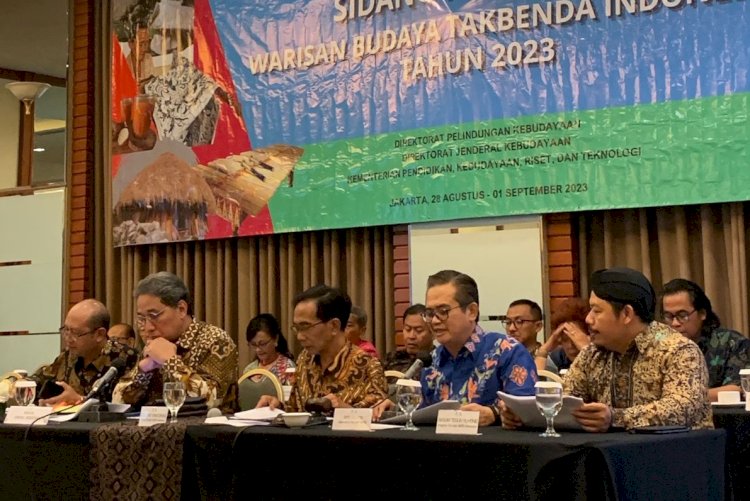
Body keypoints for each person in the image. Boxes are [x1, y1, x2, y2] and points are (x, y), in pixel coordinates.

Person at [501, 267, 713, 432]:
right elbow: (564, 401)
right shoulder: (592, 354)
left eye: (596, 311)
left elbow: (684, 408)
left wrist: (615, 417)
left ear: (627, 314)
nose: (588, 319)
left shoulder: (678, 350)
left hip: (675, 463)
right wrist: (523, 415)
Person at [375, 270, 537, 426]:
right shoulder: (432, 361)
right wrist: (396, 409)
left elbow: (527, 413)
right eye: (430, 313)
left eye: (443, 311)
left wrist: (494, 414)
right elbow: (425, 417)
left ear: (472, 312)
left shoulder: (507, 351)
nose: (435, 321)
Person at [112, 272, 238, 410]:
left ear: (181, 309)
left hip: (206, 429)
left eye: (154, 316)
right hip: (155, 428)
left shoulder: (215, 340)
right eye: (142, 318)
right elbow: (118, 402)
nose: (147, 327)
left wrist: (170, 362)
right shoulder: (154, 344)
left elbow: (211, 401)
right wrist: (143, 370)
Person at [256, 285, 387, 412]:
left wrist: (347, 411)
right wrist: (277, 405)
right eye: (297, 328)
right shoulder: (305, 360)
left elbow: (380, 419)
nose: (300, 337)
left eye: (305, 326)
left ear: (334, 326)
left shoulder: (368, 366)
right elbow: (295, 409)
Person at [32, 299, 138, 406]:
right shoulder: (68, 356)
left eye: (75, 333)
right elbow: (38, 381)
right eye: (66, 330)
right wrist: (18, 383)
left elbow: (128, 407)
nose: (68, 338)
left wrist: (80, 400)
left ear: (99, 334)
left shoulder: (127, 359)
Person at [661, 278, 750, 402]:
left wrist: (685, 400)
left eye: (682, 315)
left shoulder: (731, 343)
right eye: (669, 316)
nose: (675, 323)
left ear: (702, 313)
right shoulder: (660, 348)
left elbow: (739, 389)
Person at [534, 298, 590, 373]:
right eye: (564, 339)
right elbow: (535, 381)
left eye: (575, 338)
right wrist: (543, 351)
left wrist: (587, 351)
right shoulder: (559, 357)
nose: (570, 346)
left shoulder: (605, 357)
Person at [242, 313, 296, 385]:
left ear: (276, 339)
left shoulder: (288, 368)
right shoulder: (249, 369)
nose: (258, 350)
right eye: (254, 345)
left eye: (263, 344)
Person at [383, 304, 433, 374]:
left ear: (432, 332)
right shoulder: (392, 359)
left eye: (419, 330)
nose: (411, 336)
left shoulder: (438, 361)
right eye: (408, 329)